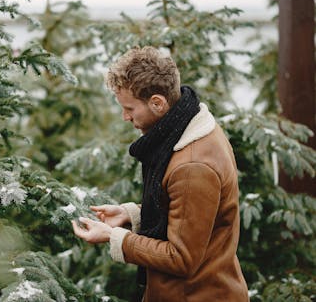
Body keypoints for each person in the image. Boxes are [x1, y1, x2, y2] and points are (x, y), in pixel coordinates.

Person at [71, 46, 249, 301]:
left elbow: (181, 258)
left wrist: (113, 237)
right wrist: (130, 215)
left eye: (130, 109)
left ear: (157, 103)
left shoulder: (192, 167)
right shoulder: (188, 127)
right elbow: (187, 215)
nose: (124, 117)